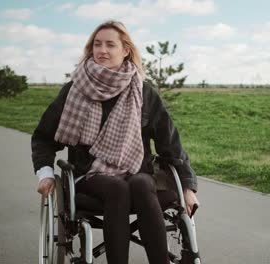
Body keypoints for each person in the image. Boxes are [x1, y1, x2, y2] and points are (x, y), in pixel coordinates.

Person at [31, 20, 199, 264]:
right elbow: (43, 137)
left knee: (142, 182)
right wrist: (45, 173)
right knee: (117, 187)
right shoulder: (74, 89)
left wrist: (187, 187)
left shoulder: (142, 91)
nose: (102, 50)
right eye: (97, 44)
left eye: (110, 44)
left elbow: (169, 143)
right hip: (88, 176)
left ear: (125, 50)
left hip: (136, 171)